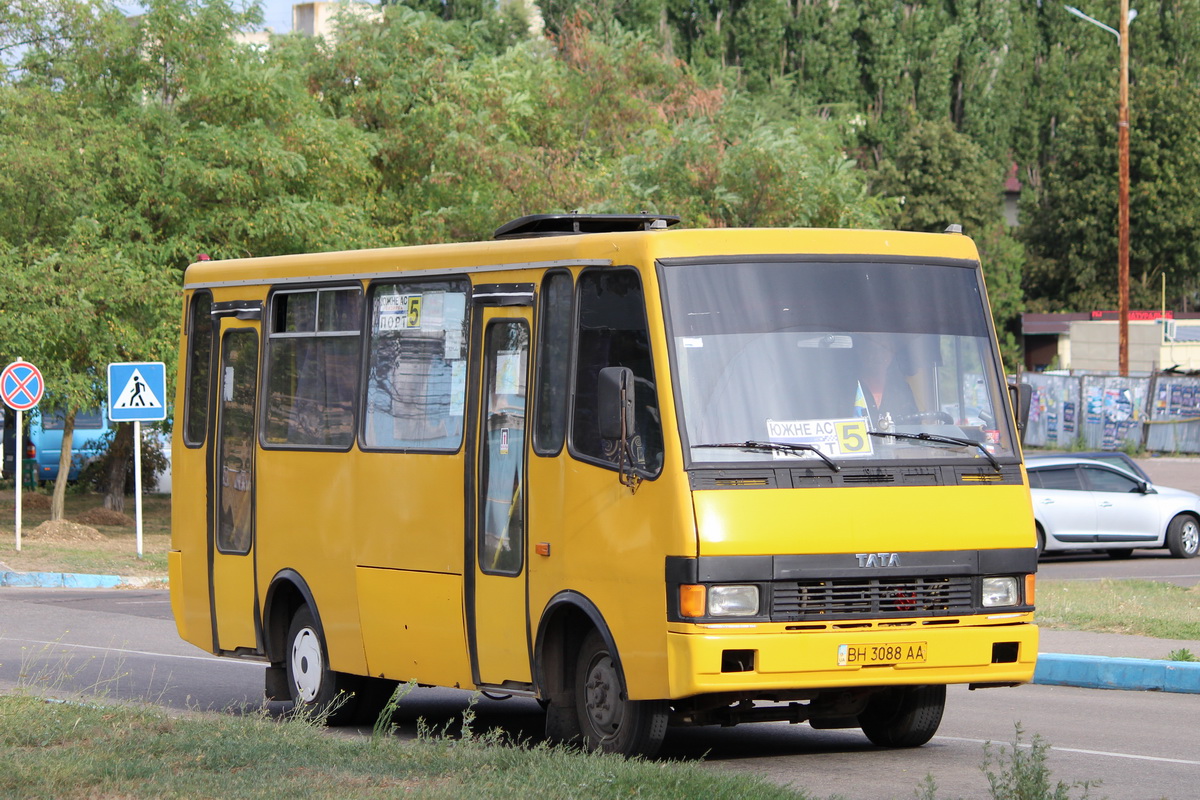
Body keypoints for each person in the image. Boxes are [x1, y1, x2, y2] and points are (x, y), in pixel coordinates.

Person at [854, 334, 918, 427]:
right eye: (871, 349)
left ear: (892, 353)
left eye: (884, 348)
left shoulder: (901, 389)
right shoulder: (849, 389)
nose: (878, 355)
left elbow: (914, 426)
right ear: (860, 351)